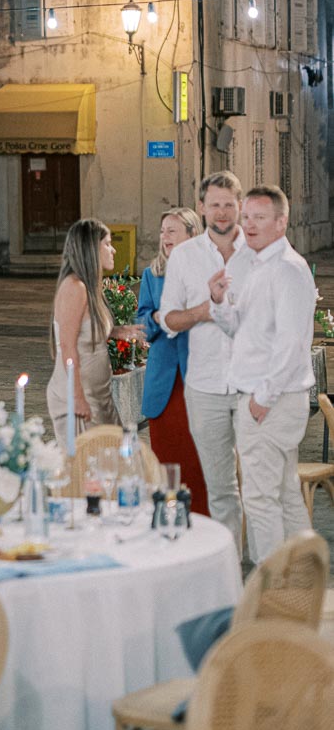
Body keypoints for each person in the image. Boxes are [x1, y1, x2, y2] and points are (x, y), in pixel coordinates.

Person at [208, 186, 314, 563]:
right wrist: (219, 301)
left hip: (270, 401)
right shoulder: (257, 265)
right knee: (284, 494)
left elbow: (291, 346)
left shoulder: (286, 269)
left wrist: (260, 401)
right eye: (247, 216)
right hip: (267, 398)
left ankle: (271, 594)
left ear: (281, 222)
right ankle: (301, 578)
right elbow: (242, 328)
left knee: (259, 498)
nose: (249, 225)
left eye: (260, 218)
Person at [159, 171, 254, 554]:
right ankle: (230, 576)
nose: (221, 211)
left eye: (229, 204)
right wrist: (205, 309)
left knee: (262, 488)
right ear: (201, 207)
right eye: (214, 204)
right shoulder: (184, 256)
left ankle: (267, 573)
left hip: (252, 387)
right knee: (221, 489)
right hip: (206, 386)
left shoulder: (259, 252)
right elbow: (168, 320)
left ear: (240, 206)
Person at [46, 220, 143, 449]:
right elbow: (68, 346)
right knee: (91, 471)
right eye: (107, 244)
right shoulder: (74, 287)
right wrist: (77, 398)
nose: (114, 249)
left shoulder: (90, 286)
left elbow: (87, 332)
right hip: (80, 397)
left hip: (100, 394)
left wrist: (118, 332)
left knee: (115, 461)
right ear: (92, 249)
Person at [137, 208, 209, 514]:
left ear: (192, 235)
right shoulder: (151, 275)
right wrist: (156, 317)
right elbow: (142, 320)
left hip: (200, 375)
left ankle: (204, 525)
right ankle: (169, 521)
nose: (165, 237)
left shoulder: (208, 272)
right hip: (163, 381)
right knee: (167, 459)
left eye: (173, 231)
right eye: (163, 231)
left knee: (198, 461)